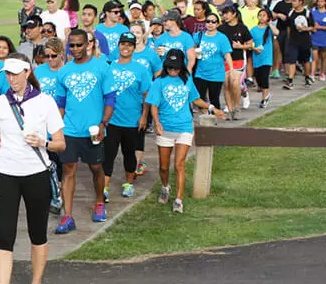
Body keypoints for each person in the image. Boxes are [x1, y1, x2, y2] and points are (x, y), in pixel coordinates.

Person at [0, 55, 65, 284]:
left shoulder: (45, 102)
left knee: (37, 233)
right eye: (8, 74)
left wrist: (44, 143)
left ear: (27, 72)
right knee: (4, 236)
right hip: (5, 175)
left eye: (16, 73)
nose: (12, 78)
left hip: (36, 174)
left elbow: (61, 143)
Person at [146, 50, 225, 213]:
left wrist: (212, 108)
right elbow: (153, 104)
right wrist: (156, 122)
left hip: (184, 127)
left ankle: (178, 199)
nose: (173, 71)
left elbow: (195, 99)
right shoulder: (159, 82)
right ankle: (165, 186)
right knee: (163, 166)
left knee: (179, 164)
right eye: (170, 68)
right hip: (165, 129)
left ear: (181, 67)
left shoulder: (187, 80)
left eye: (176, 68)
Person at [53, 29, 116, 233]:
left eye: (79, 44)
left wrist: (103, 124)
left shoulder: (102, 67)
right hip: (70, 130)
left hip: (93, 130)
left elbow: (110, 98)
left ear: (88, 45)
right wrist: (57, 128)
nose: (76, 49)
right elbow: (60, 103)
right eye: (72, 45)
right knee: (68, 170)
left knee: (96, 168)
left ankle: (99, 202)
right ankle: (67, 215)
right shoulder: (64, 72)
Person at [103, 33, 152, 200]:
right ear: (118, 46)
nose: (126, 47)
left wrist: (144, 116)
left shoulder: (141, 69)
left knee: (129, 153)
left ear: (133, 47)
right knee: (108, 154)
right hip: (112, 119)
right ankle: (104, 187)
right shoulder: (109, 67)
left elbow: (147, 95)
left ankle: (129, 183)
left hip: (132, 120)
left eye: (129, 45)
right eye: (123, 44)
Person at [193, 12, 232, 115]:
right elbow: (192, 48)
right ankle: (207, 116)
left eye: (213, 22)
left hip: (216, 73)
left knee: (214, 98)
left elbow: (227, 54)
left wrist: (231, 70)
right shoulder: (199, 35)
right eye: (208, 21)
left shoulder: (222, 38)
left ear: (217, 24)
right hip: (200, 72)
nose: (210, 24)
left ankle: (215, 118)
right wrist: (195, 52)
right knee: (199, 98)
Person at [219, 6, 254, 118]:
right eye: (223, 14)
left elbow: (250, 44)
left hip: (238, 59)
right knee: (227, 84)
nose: (225, 16)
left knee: (234, 83)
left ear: (234, 14)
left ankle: (237, 107)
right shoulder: (221, 29)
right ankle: (230, 109)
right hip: (224, 60)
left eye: (227, 13)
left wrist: (241, 46)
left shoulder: (242, 28)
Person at [250, 8, 276, 108]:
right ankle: (265, 94)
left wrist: (270, 24)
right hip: (257, 56)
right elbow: (249, 42)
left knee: (264, 77)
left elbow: (276, 32)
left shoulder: (269, 29)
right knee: (258, 77)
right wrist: (254, 48)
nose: (261, 17)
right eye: (260, 15)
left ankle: (264, 98)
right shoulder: (253, 29)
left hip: (267, 57)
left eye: (264, 15)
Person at [310, 0, 326, 81]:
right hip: (314, 37)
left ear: (325, 3)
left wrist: (320, 27)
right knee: (314, 57)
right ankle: (312, 73)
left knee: (323, 57)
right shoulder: (313, 13)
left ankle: (322, 73)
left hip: (324, 38)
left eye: (322, 1)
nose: (320, 3)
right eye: (318, 1)